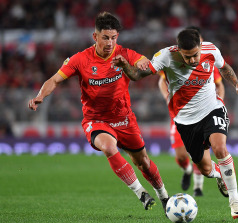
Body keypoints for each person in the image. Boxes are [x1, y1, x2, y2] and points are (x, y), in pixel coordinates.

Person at [28, 12, 169, 212]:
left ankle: (164, 197)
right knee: (109, 147)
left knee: (143, 162)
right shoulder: (80, 59)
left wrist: (137, 63)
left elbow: (142, 63)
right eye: (105, 37)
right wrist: (40, 96)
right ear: (95, 37)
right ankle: (141, 193)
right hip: (96, 120)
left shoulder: (124, 53)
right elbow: (54, 80)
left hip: (124, 118)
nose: (110, 43)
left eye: (113, 37)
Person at [111, 29, 238, 219]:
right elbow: (136, 75)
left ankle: (235, 201)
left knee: (220, 148)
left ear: (201, 47)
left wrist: (237, 86)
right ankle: (218, 174)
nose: (192, 60)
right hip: (185, 121)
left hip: (212, 109)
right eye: (187, 57)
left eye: (195, 55)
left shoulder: (211, 50)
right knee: (206, 169)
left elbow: (225, 68)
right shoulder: (165, 57)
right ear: (178, 50)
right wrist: (125, 65)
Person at [158, 26, 226, 197]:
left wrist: (217, 104)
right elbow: (161, 80)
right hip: (180, 116)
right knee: (181, 156)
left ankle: (198, 187)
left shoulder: (209, 62)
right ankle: (187, 170)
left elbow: (219, 85)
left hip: (203, 113)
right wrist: (167, 96)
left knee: (202, 152)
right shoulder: (173, 62)